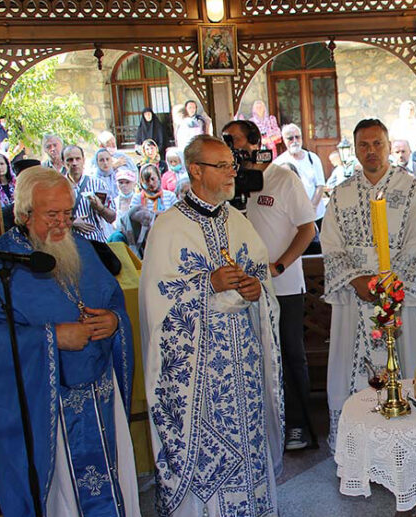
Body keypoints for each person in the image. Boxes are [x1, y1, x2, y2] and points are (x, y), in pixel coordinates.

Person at [0, 166, 140, 517]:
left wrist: (114, 321)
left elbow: (113, 300)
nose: (62, 224)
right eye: (52, 215)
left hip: (101, 398)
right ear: (24, 214)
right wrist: (51, 338)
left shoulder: (82, 249)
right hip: (50, 408)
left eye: (68, 214)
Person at [140, 134, 283, 517]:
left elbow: (260, 279)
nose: (231, 174)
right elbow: (159, 307)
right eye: (221, 167)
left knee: (249, 448)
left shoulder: (239, 221)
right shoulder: (167, 228)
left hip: (245, 368)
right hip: (198, 382)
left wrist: (257, 289)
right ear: (195, 171)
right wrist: (208, 285)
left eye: (231, 166)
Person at [321, 119, 416, 450]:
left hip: (398, 299)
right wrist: (355, 280)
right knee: (352, 373)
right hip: (356, 300)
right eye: (363, 145)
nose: (371, 151)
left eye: (377, 144)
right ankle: (360, 449)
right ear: (354, 149)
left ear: (388, 145)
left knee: (407, 366)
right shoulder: (340, 194)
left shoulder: (412, 189)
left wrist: (392, 284)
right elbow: (331, 243)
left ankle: (410, 446)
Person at [225, 119, 320, 451]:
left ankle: (298, 426)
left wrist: (279, 265)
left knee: (290, 354)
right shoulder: (227, 183)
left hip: (283, 287)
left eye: (233, 140)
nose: (230, 146)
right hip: (240, 289)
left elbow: (308, 229)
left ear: (255, 142)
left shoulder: (282, 178)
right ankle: (262, 426)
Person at [272, 123, 327, 226]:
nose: (295, 141)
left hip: (317, 215)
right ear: (284, 140)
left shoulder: (312, 158)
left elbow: (320, 185)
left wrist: (311, 208)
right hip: (293, 219)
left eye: (297, 137)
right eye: (290, 138)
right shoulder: (278, 163)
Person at [63, 145, 117, 243]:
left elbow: (112, 218)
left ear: (83, 160)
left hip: (96, 242)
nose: (74, 163)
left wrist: (100, 208)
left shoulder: (98, 184)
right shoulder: (57, 187)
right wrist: (71, 222)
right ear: (63, 162)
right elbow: (49, 218)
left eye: (77, 159)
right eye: (70, 160)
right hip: (69, 244)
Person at [126, 164, 176, 255]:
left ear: (159, 177)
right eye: (146, 181)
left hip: (169, 238)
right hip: (146, 241)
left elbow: (176, 215)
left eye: (153, 179)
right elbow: (133, 216)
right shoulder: (137, 198)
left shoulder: (170, 196)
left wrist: (154, 214)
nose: (151, 183)